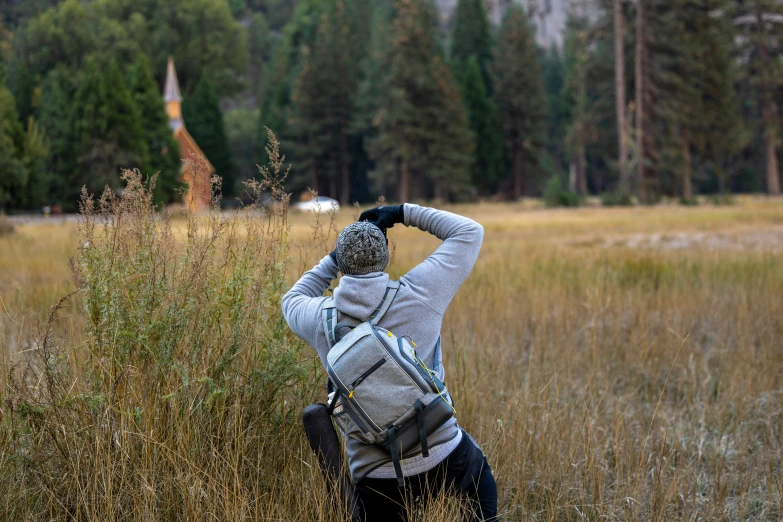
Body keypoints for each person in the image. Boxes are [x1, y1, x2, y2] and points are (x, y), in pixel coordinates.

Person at [282, 203, 497, 521]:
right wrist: (398, 212)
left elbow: (292, 297)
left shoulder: (319, 318)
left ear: (343, 264)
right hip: (444, 454)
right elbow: (469, 231)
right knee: (481, 490)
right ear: (385, 259)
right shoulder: (420, 293)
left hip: (375, 477)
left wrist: (334, 259)